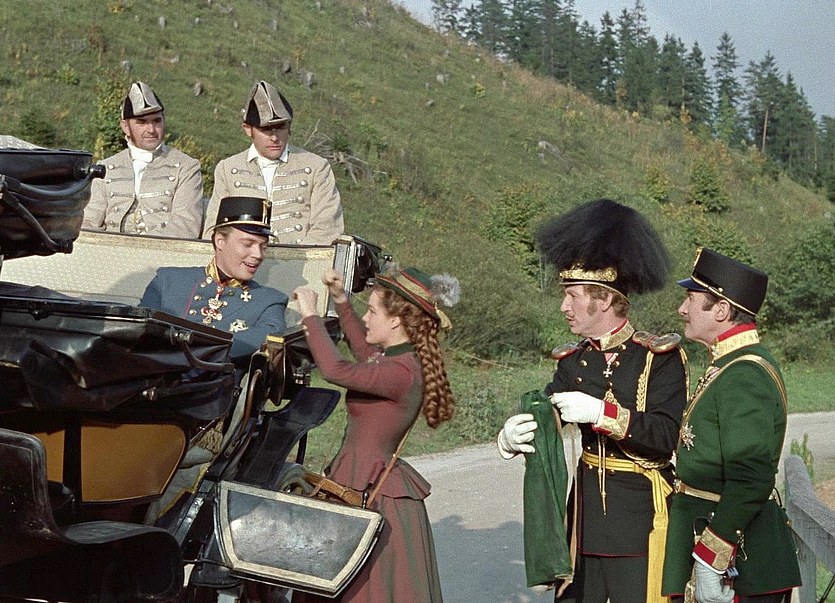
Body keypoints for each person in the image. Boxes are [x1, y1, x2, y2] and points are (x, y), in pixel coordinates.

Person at [497, 199, 688, 603]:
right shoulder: (574, 359)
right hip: (583, 522)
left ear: (602, 299)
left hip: (638, 521)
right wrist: (514, 433)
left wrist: (603, 414)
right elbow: (550, 410)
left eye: (572, 295)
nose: (563, 306)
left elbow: (665, 435)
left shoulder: (658, 358)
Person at [290, 265, 459, 602]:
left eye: (372, 311)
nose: (366, 318)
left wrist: (310, 316)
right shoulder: (396, 360)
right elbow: (363, 349)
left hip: (370, 491)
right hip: (356, 482)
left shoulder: (401, 373)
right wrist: (341, 299)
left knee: (367, 590)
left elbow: (334, 369)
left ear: (395, 321)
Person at [661, 247, 801, 602]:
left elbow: (751, 476)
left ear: (721, 310)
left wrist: (712, 559)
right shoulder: (729, 363)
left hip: (738, 563)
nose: (681, 309)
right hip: (708, 538)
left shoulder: (745, 374)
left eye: (691, 299)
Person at [140, 195, 287, 367]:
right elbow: (139, 332)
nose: (258, 254)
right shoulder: (167, 281)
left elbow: (265, 339)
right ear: (220, 241)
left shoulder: (269, 301)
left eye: (264, 246)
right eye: (248, 244)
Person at [204, 80, 344, 245]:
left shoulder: (316, 167)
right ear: (248, 129)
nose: (274, 137)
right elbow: (214, 231)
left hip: (301, 258)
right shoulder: (228, 169)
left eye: (281, 127)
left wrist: (296, 258)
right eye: (265, 129)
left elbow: (327, 228)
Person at [83, 81, 204, 238]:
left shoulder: (186, 167)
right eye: (141, 122)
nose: (151, 129)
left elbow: (186, 226)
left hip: (163, 249)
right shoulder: (106, 167)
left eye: (157, 121)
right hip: (110, 248)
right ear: (125, 127)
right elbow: (89, 221)